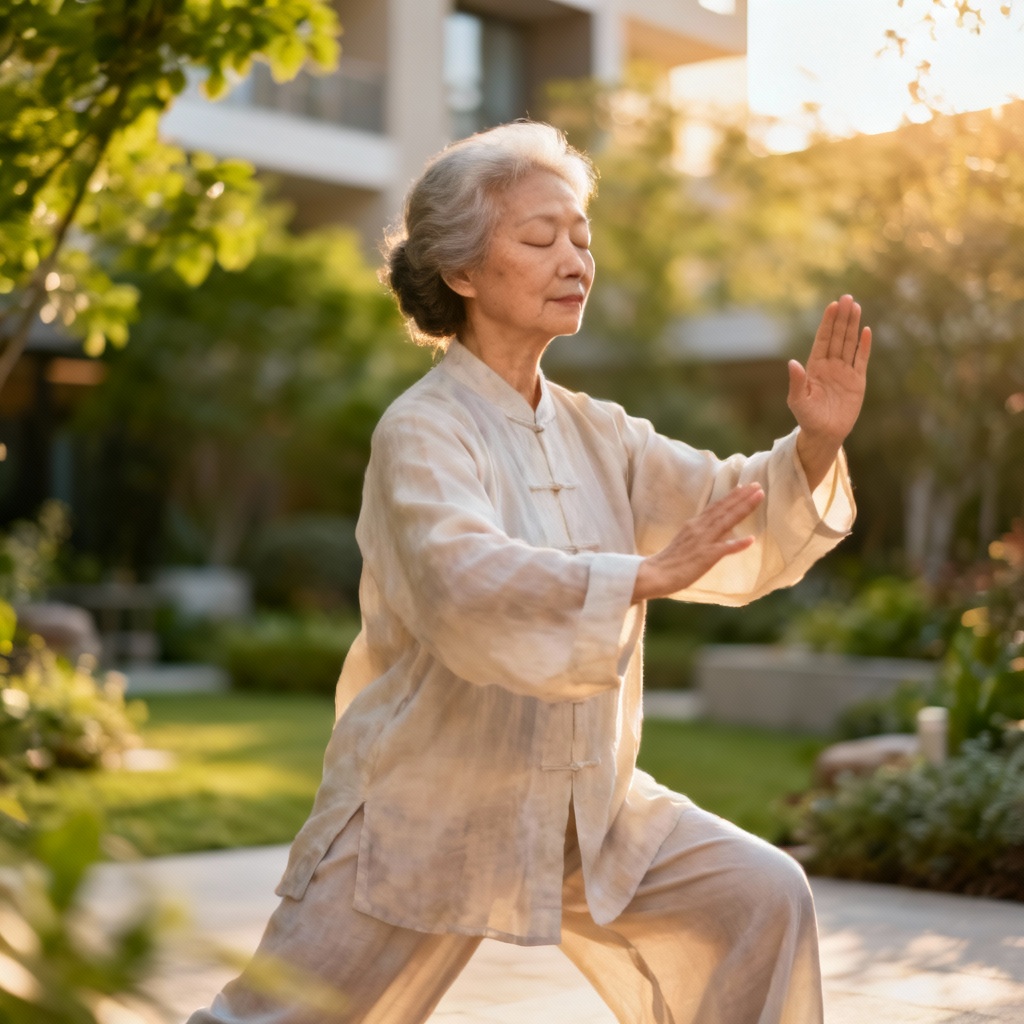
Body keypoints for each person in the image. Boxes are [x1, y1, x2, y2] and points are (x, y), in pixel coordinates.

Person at [186, 121, 870, 1024]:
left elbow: (726, 499)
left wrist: (814, 444)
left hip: (591, 808)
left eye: (582, 236)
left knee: (761, 894)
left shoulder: (601, 430)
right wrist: (635, 576)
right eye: (540, 237)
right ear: (461, 272)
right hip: (430, 801)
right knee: (274, 1020)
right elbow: (461, 578)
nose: (573, 257)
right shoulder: (422, 429)